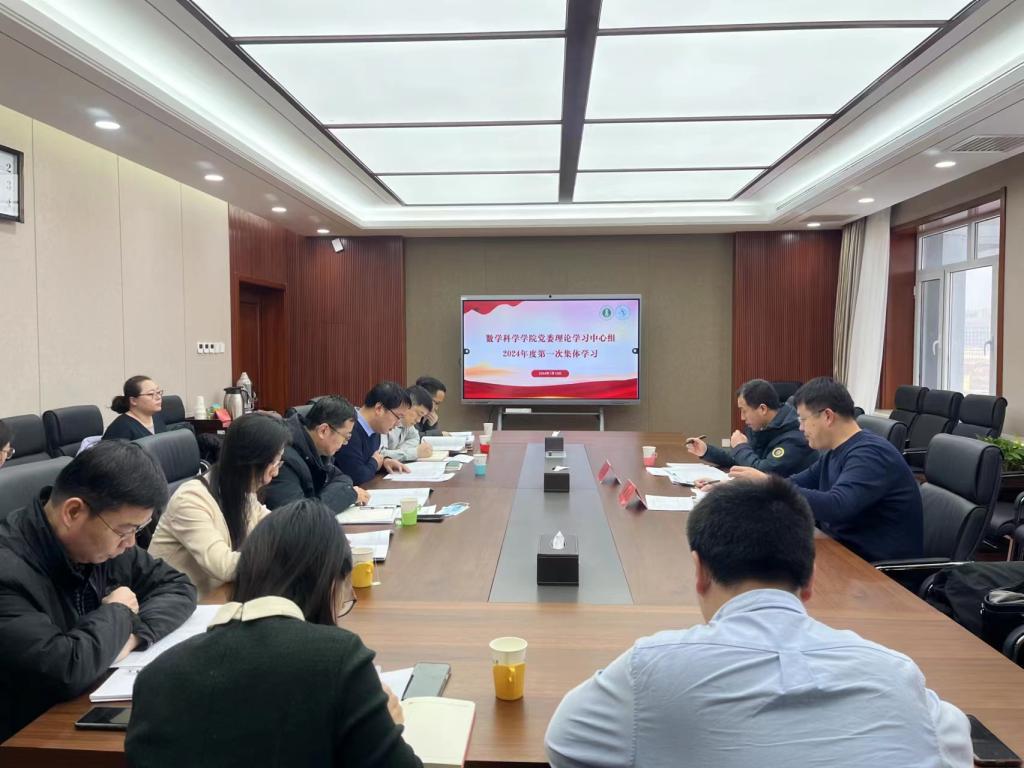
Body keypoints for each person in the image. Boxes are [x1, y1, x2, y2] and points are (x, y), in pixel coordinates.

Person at [544, 478, 971, 768]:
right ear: (810, 579)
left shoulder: (650, 669)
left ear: (699, 570)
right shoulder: (896, 674)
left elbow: (564, 744)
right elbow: (956, 748)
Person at [126, 499, 423, 768]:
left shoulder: (154, 677)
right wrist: (387, 726)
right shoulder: (338, 660)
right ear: (330, 583)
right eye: (344, 597)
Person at [0, 440, 197, 742]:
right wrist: (119, 612)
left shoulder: (104, 545)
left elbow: (178, 585)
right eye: (125, 530)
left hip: (80, 711)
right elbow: (63, 669)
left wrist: (132, 636)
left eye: (137, 531)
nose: (130, 543)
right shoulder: (8, 572)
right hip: (27, 738)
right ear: (73, 512)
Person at [729, 377, 923, 562]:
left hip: (875, 571)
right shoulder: (835, 451)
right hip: (842, 553)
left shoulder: (870, 454)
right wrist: (752, 488)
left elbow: (837, 506)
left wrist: (769, 483)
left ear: (828, 416)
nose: (801, 428)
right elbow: (795, 482)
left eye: (803, 420)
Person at [148, 413, 290, 595]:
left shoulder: (239, 491)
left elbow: (274, 525)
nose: (276, 473)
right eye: (274, 464)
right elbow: (223, 566)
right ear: (251, 461)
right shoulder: (191, 499)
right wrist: (281, 558)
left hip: (218, 595)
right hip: (178, 602)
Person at [686, 378, 815, 477]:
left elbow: (761, 472)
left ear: (762, 409)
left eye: (744, 411)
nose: (742, 417)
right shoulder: (760, 427)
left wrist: (741, 446)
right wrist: (706, 451)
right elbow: (743, 459)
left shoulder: (795, 435)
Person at [264, 396, 365, 512]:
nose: (345, 443)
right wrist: (346, 495)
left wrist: (325, 498)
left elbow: (342, 478)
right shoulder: (284, 457)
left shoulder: (319, 451)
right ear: (323, 431)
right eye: (346, 437)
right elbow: (297, 515)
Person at [334, 381, 411, 486]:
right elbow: (356, 477)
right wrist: (375, 463)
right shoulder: (349, 429)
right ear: (379, 409)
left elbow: (368, 462)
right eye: (398, 417)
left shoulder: (375, 429)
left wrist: (384, 462)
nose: (398, 423)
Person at [102, 375, 167, 440]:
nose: (158, 397)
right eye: (150, 394)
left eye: (158, 392)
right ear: (133, 400)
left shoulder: (157, 417)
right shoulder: (120, 427)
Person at [381, 385, 434, 463]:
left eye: (422, 417)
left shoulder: (407, 424)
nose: (418, 420)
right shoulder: (385, 420)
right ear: (407, 405)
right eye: (419, 414)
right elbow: (381, 454)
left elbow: (415, 438)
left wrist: (399, 452)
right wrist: (415, 453)